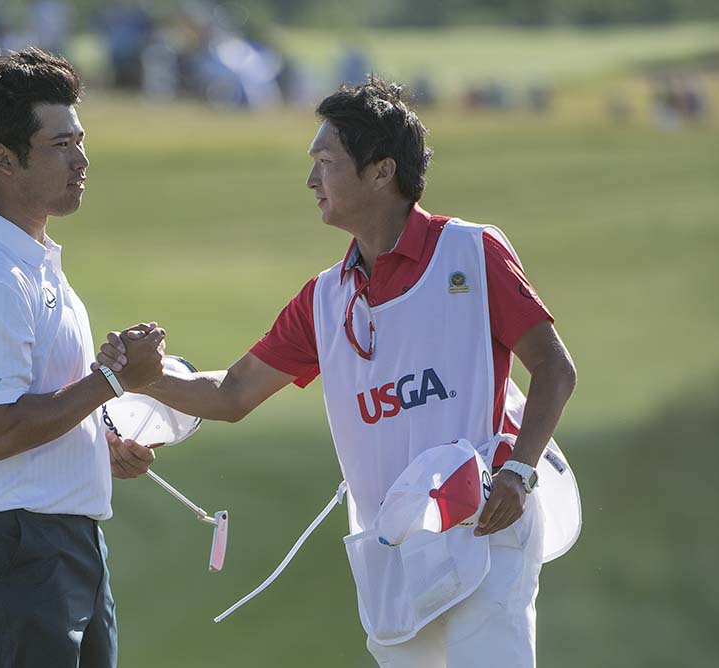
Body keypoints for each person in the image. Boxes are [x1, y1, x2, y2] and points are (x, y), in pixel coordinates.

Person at [97, 75, 578, 668]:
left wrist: (520, 471)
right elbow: (233, 391)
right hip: (398, 549)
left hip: (487, 525)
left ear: (381, 171)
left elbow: (554, 368)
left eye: (326, 161)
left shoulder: (471, 252)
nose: (310, 179)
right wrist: (134, 378)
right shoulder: (324, 299)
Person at [0, 48, 162, 668]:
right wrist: (110, 380)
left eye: (80, 141)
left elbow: (36, 404)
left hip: (58, 540)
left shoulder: (28, 260)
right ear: (4, 158)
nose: (82, 161)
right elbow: (0, 431)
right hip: (13, 545)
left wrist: (97, 438)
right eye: (60, 145)